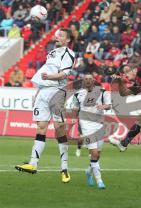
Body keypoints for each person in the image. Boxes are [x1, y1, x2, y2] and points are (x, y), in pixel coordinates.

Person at [15, 28, 75, 183]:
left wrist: (51, 76)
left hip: (56, 92)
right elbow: (45, 77)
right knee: (41, 126)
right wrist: (37, 92)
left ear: (67, 40)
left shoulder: (68, 53)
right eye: (57, 34)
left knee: (59, 128)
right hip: (43, 93)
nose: (57, 37)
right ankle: (33, 164)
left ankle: (64, 168)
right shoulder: (51, 53)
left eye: (61, 35)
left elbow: (65, 74)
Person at [71, 73, 111, 189]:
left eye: (90, 79)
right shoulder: (78, 94)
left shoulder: (102, 91)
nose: (88, 81)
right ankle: (99, 181)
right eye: (86, 79)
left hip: (99, 124)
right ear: (83, 81)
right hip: (86, 125)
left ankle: (89, 171)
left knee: (97, 154)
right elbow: (75, 106)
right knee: (93, 152)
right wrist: (74, 117)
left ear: (94, 81)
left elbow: (109, 105)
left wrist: (104, 107)